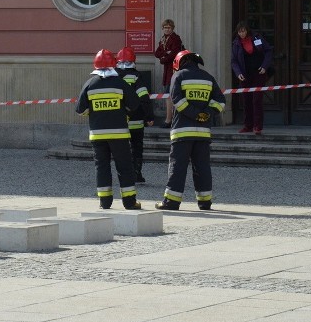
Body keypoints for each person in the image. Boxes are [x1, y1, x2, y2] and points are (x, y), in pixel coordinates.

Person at [155, 50, 225, 211]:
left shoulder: (178, 76)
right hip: (203, 132)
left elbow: (177, 101)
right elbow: (220, 101)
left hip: (182, 131)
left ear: (179, 62)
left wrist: (194, 114)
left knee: (177, 166)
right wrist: (206, 113)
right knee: (202, 167)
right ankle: (205, 201)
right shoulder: (208, 77)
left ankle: (171, 202)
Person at [75, 49, 142, 210]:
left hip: (98, 135)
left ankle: (105, 202)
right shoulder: (120, 82)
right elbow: (134, 104)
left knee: (102, 167)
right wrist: (123, 113)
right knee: (124, 167)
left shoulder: (89, 84)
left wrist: (94, 112)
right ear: (113, 65)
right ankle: (129, 202)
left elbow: (80, 109)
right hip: (119, 134)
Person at [115, 46, 155, 183]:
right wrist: (149, 116)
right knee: (136, 147)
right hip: (135, 119)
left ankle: (124, 175)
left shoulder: (112, 76)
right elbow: (144, 98)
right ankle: (136, 174)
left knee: (121, 149)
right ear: (133, 61)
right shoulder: (136, 76)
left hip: (118, 120)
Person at [230, 21, 274, 135]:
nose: (242, 34)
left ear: (247, 30)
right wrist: (238, 73)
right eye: (239, 32)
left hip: (258, 73)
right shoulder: (236, 44)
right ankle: (247, 125)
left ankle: (257, 126)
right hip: (245, 75)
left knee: (257, 100)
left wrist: (265, 66)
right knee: (246, 100)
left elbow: (268, 51)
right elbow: (234, 61)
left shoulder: (257, 38)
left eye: (243, 31)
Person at [153, 19, 184, 127]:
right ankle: (169, 119)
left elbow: (175, 54)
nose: (167, 29)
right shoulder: (163, 39)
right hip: (167, 70)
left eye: (169, 28)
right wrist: (166, 52)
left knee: (172, 95)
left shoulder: (176, 38)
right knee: (168, 95)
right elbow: (157, 53)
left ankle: (170, 120)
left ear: (172, 28)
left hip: (174, 70)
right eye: (165, 27)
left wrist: (163, 58)